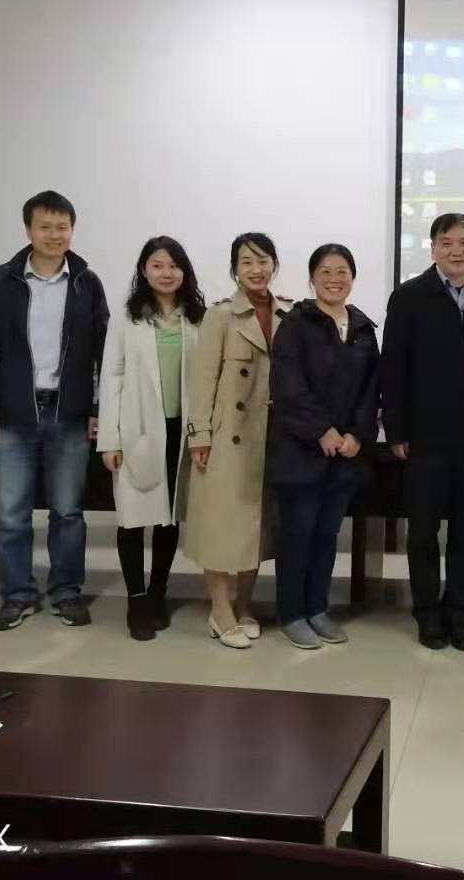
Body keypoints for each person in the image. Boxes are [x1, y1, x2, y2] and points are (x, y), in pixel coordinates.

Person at [0, 190, 110, 631]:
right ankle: (18, 594)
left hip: (69, 415)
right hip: (12, 416)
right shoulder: (1, 282)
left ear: (72, 229)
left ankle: (66, 592)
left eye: (62, 227)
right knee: (11, 514)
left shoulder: (86, 282)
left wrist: (99, 408)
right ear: (28, 230)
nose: (54, 234)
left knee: (68, 512)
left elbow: (104, 352)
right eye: (45, 226)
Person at [380, 212, 464, 652]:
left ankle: (460, 613)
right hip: (424, 437)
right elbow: (393, 366)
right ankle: (427, 613)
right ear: (433, 248)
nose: (457, 251)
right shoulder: (408, 296)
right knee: (422, 532)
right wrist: (396, 429)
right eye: (448, 242)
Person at [269, 244, 379, 650]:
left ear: (353, 277)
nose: (335, 279)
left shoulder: (363, 327)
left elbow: (371, 389)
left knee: (326, 536)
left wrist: (356, 435)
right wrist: (322, 431)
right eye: (326, 271)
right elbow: (288, 386)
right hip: (301, 451)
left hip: (344, 455)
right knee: (297, 535)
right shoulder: (296, 324)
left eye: (342, 271)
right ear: (312, 278)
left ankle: (317, 608)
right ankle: (292, 614)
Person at [183, 233, 289, 649]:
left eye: (263, 261)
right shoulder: (220, 316)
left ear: (274, 265)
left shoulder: (288, 314)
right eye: (247, 262)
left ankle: (245, 603)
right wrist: (199, 435)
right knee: (220, 525)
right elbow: (203, 380)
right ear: (235, 270)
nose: (256, 269)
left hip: (271, 437)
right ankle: (220, 609)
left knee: (255, 527)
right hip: (227, 437)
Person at [97, 236, 205, 642]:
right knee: (132, 518)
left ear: (184, 271)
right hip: (137, 429)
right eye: (157, 265)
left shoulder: (197, 318)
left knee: (169, 517)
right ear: (144, 270)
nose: (166, 273)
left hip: (181, 431)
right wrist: (110, 439)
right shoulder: (127, 318)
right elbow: (111, 377)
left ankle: (158, 591)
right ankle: (136, 599)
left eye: (174, 265)